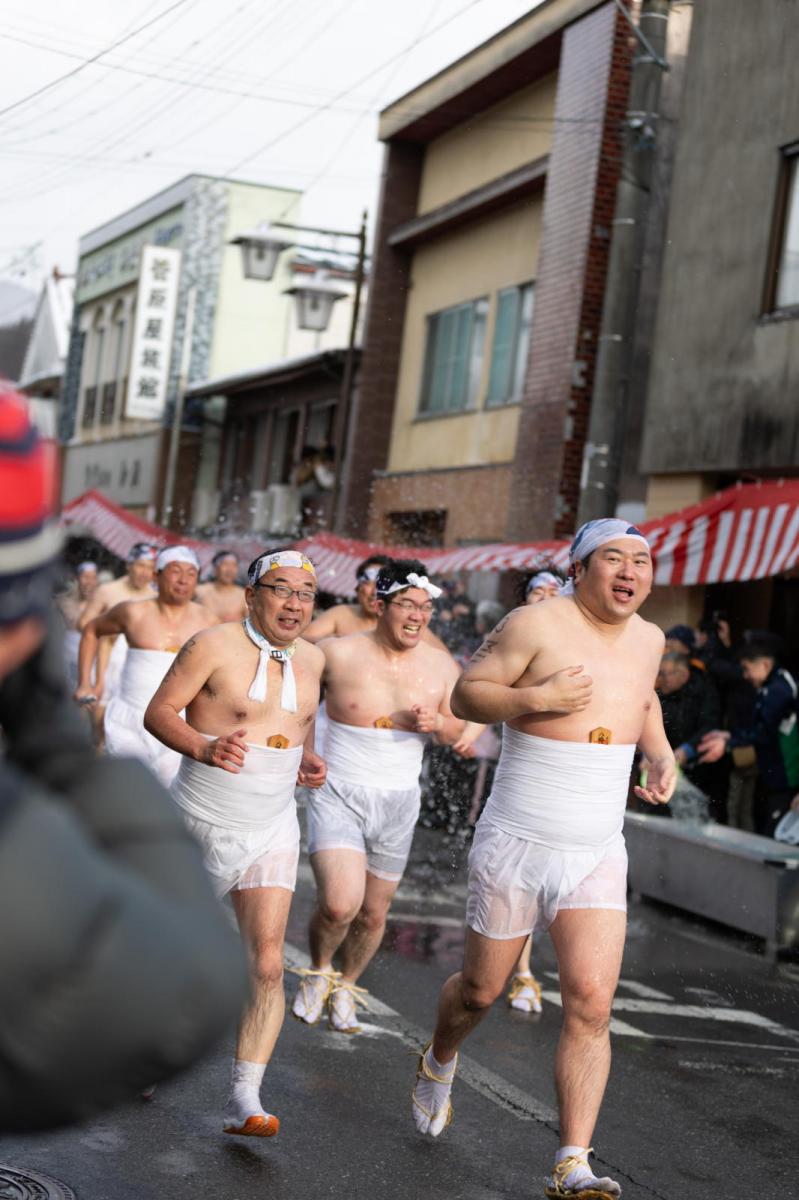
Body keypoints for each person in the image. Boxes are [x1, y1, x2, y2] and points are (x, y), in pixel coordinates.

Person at [0, 384, 246, 1129]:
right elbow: (187, 989)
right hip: (133, 731)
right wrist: (67, 719)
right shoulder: (122, 607)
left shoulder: (211, 618)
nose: (175, 580)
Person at [411, 519, 675, 1200]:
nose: (629, 571)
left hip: (595, 846)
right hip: (518, 837)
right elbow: (467, 695)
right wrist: (536, 699)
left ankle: (571, 1161)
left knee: (590, 1003)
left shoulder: (649, 637)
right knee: (480, 992)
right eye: (613, 558)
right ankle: (440, 1058)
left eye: (641, 561)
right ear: (580, 567)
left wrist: (659, 750)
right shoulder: (536, 624)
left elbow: (640, 694)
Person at [144, 549, 326, 1138]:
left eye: (306, 593)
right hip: (198, 817)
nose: (295, 603)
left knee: (267, 962)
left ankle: (244, 1096)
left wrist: (308, 757)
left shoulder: (316, 659)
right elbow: (160, 712)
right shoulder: (212, 645)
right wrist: (202, 746)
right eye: (282, 590)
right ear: (252, 595)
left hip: (272, 825)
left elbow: (301, 723)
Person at [292, 559, 463, 1034]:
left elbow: (457, 731)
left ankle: (347, 982)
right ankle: (320, 968)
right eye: (407, 604)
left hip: (398, 801)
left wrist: (439, 725)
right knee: (340, 905)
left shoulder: (440, 664)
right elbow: (300, 702)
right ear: (380, 604)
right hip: (338, 789)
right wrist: (304, 752)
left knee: (373, 913)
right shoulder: (337, 652)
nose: (417, 616)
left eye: (425, 607)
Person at [76, 546, 216, 784]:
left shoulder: (209, 621)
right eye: (175, 571)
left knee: (169, 794)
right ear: (156, 576)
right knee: (126, 789)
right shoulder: (132, 612)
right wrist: (84, 683)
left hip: (178, 723)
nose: (183, 579)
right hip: (128, 718)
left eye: (191, 573)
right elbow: (91, 630)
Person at [698, 639, 799, 836]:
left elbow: (764, 732)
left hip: (786, 775)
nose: (745, 675)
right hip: (773, 770)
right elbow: (759, 726)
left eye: (747, 668)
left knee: (776, 832)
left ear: (764, 665)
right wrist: (730, 735)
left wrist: (729, 742)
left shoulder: (779, 689)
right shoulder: (771, 685)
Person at [77, 541, 158, 707]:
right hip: (104, 663)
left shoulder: (155, 596)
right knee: (98, 718)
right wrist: (109, 631)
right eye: (141, 566)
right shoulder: (108, 590)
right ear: (129, 565)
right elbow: (83, 624)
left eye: (150, 568)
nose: (145, 572)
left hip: (138, 667)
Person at [656, 649, 728, 822]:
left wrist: (687, 751)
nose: (660, 679)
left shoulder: (704, 691)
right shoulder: (662, 695)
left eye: (665, 674)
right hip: (670, 764)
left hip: (701, 767)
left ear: (683, 674)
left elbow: (709, 727)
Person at [304, 554, 393, 641]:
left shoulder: (396, 623)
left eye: (382, 585)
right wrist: (326, 641)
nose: (374, 592)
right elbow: (301, 638)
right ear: (358, 588)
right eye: (368, 583)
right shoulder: (341, 615)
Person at [57, 561, 98, 691]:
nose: (89, 582)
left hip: (91, 662)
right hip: (66, 660)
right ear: (77, 578)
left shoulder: (101, 605)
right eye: (85, 577)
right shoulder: (64, 602)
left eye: (93, 577)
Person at [196, 549, 247, 622]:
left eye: (234, 565)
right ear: (215, 568)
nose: (230, 569)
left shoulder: (244, 595)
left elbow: (252, 623)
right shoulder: (200, 591)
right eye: (225, 564)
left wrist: (239, 621)